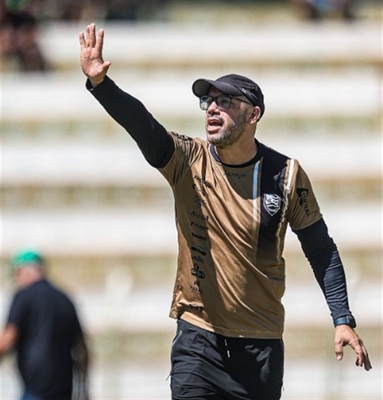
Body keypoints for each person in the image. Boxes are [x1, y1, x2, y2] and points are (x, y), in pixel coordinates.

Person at [79, 23, 371, 400]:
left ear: (253, 115)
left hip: (260, 347)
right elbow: (144, 127)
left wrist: (342, 318)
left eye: (226, 101)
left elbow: (321, 248)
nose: (212, 108)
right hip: (198, 339)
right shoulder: (187, 159)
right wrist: (103, 86)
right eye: (209, 101)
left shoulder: (286, 175)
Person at [0, 250, 89, 400]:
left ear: (23, 271)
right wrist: (84, 387)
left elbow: (8, 338)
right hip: (64, 387)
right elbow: (82, 348)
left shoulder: (24, 296)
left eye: (17, 273)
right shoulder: (65, 299)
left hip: (36, 387)